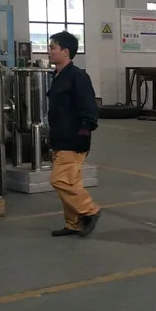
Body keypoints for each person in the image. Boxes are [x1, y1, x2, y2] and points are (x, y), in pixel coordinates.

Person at [47, 30, 101, 238]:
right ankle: (74, 224)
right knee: (71, 182)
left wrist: (83, 133)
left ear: (65, 51)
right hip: (60, 137)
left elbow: (90, 108)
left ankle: (90, 210)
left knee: (59, 180)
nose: (49, 51)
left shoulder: (77, 76)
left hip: (73, 139)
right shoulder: (58, 76)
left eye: (53, 47)